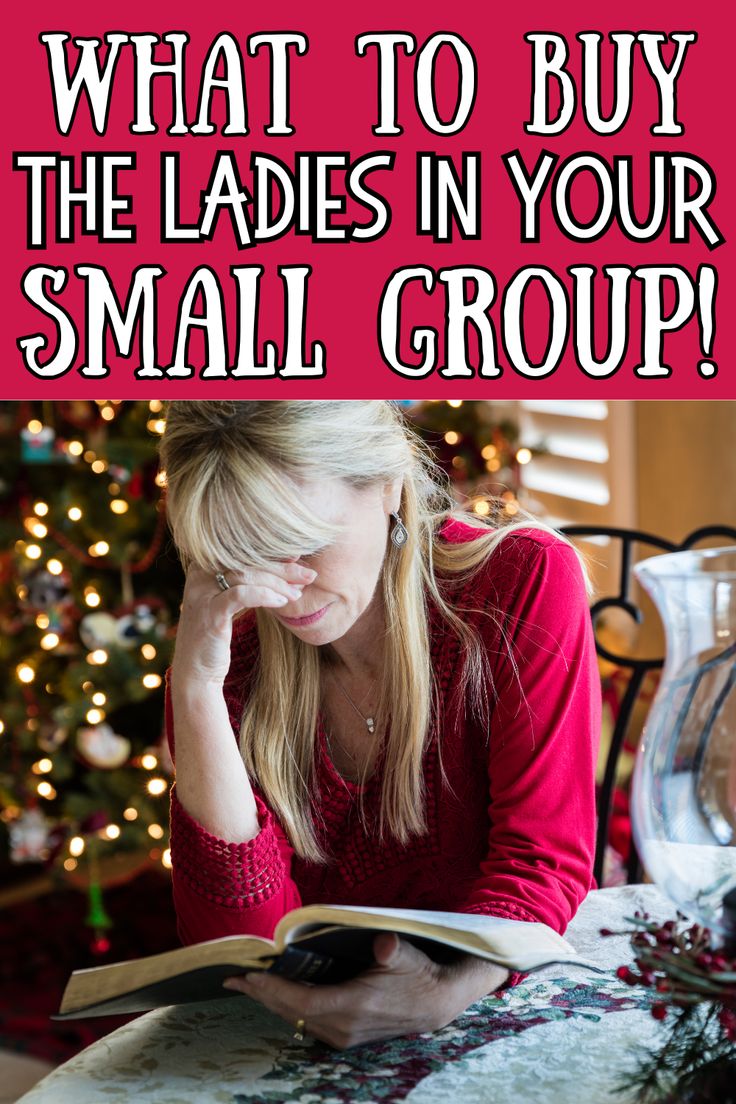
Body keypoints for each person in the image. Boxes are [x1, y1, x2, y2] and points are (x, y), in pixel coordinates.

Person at [159, 400, 601, 1050]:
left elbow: (542, 860)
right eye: (242, 554)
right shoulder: (227, 654)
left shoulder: (520, 583)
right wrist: (194, 690)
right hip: (312, 1032)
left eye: (305, 542)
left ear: (390, 486)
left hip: (495, 998)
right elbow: (242, 947)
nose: (285, 592)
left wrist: (449, 990)